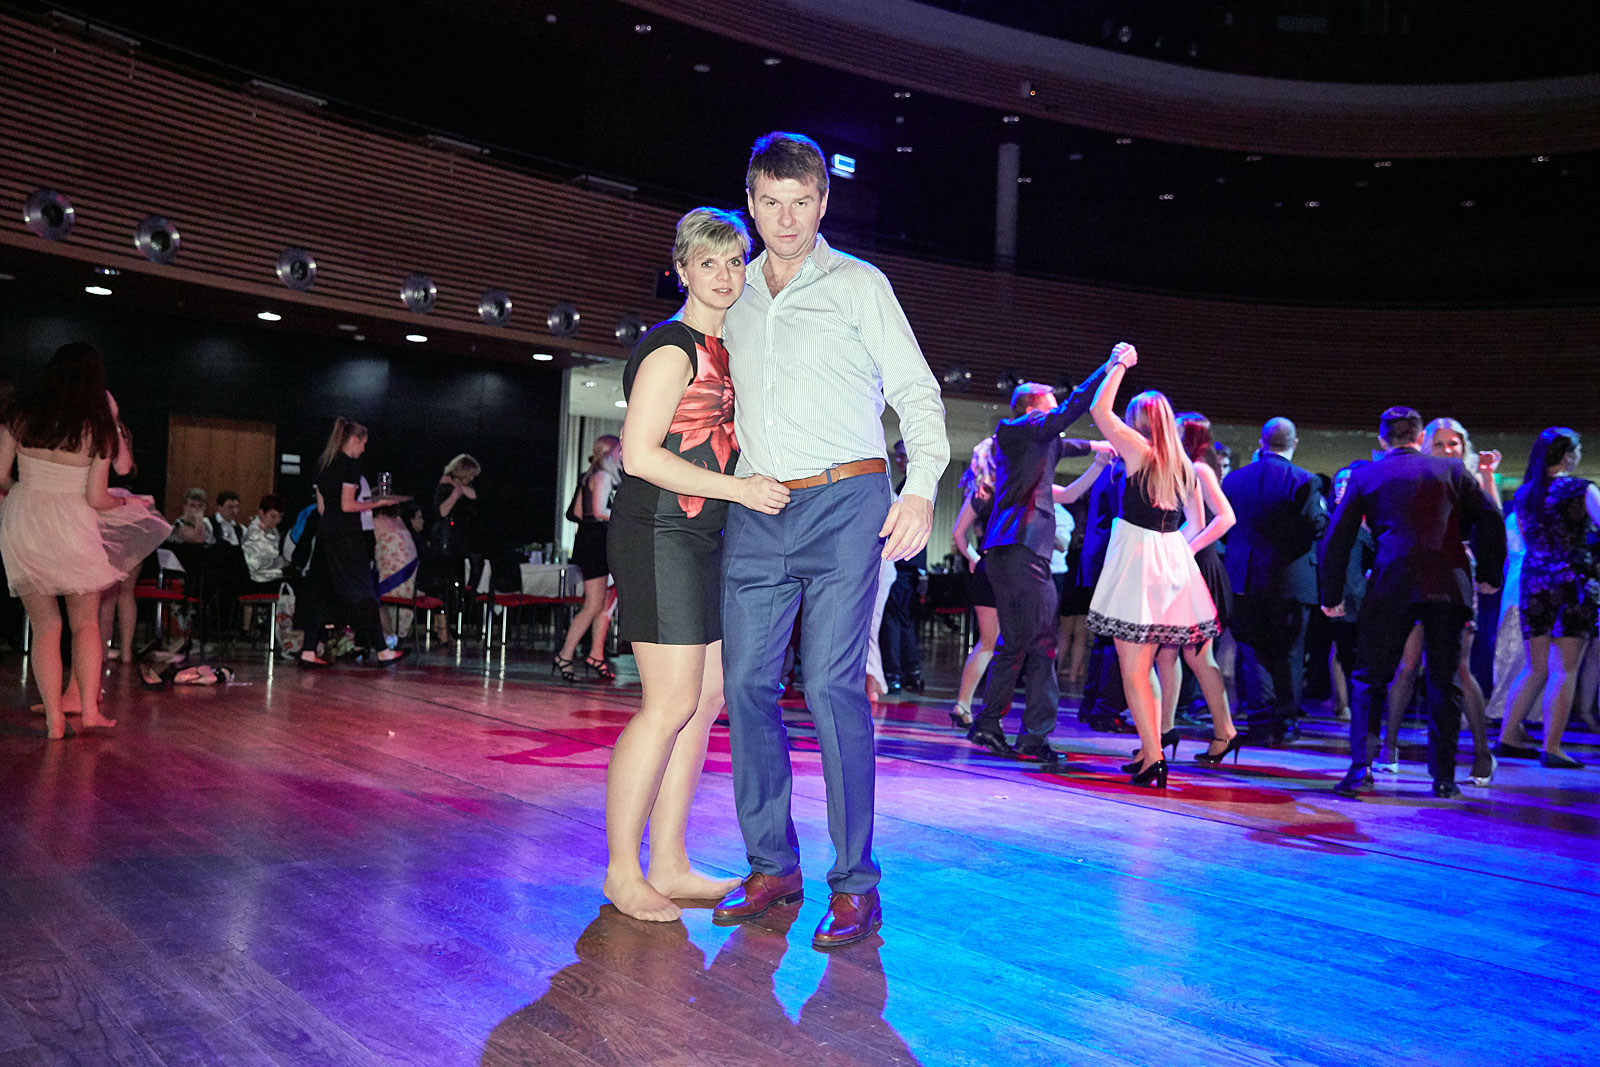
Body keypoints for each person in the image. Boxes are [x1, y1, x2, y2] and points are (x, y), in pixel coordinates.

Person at [712, 131, 948, 950]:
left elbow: (917, 391)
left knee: (829, 682)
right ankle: (772, 865)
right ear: (751, 204)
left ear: (823, 203)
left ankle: (855, 884)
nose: (786, 219)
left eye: (801, 203)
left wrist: (920, 488)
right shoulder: (733, 294)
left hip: (849, 500)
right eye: (771, 203)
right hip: (758, 505)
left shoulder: (859, 285)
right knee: (744, 683)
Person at [601, 207, 790, 922]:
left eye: (735, 261)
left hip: (702, 537)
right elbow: (639, 455)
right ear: (681, 270)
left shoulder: (726, 349)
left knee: (705, 699)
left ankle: (670, 863)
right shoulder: (672, 348)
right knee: (670, 702)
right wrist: (741, 490)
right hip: (658, 534)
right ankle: (623, 872)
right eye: (708, 262)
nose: (724, 275)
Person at [1320, 407, 1506, 799]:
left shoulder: (1366, 475)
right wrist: (1490, 574)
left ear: (1382, 439)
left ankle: (1361, 769)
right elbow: (1491, 517)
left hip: (1393, 583)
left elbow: (1338, 537)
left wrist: (1332, 596)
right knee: (1445, 679)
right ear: (1420, 438)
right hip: (1448, 586)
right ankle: (1444, 778)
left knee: (1370, 677)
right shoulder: (1452, 470)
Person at [1086, 345, 1230, 788]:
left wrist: (1118, 365)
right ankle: (1152, 751)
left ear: (1139, 421)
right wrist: (1172, 552)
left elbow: (1098, 410)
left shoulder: (1140, 451)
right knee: (1146, 662)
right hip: (1171, 559)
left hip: (1138, 559)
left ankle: (1153, 757)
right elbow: (1198, 524)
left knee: (1134, 667)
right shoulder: (1184, 465)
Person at [967, 376, 1109, 763]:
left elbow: (1067, 444)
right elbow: (1066, 415)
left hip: (1009, 550)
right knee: (1044, 643)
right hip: (1023, 548)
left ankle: (988, 724)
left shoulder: (1036, 443)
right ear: (1032, 409)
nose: (1056, 409)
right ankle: (1034, 737)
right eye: (1050, 404)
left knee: (1013, 644)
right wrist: (1109, 367)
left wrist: (1097, 449)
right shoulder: (1018, 427)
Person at [0, 342, 122, 738]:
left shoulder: (20, 415)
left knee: (45, 626)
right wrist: (123, 502)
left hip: (25, 520)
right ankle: (89, 710)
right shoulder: (97, 427)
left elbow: (0, 475)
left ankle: (55, 718)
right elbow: (96, 498)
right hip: (73, 522)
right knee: (85, 623)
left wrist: (26, 489)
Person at [1378, 417, 1500, 784]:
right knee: (1407, 664)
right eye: (1440, 443)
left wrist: (1488, 477)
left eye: (1454, 444)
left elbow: (1493, 522)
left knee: (1458, 667)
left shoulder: (1469, 478)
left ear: (1463, 446)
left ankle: (1482, 753)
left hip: (1455, 575)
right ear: (1425, 443)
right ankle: (1389, 746)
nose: (1447, 450)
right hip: (1415, 574)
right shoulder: (1415, 475)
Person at [1493, 428, 1598, 768]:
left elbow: (1527, 539)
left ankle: (1508, 736)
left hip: (1535, 581)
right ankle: (1552, 747)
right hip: (1571, 581)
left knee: (1535, 667)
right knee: (1565, 668)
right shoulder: (1581, 489)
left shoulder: (1525, 493)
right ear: (1567, 455)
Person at [1220, 417, 1329, 745]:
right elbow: (1318, 525)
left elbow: (1222, 525)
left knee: (1252, 651)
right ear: (1294, 444)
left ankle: (1260, 721)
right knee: (1290, 653)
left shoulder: (1235, 480)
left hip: (1243, 578)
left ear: (1262, 443)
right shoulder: (1305, 480)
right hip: (1289, 580)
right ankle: (1285, 722)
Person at [298, 417, 406, 667]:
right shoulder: (349, 467)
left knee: (320, 594)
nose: (364, 449)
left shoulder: (325, 464)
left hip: (325, 534)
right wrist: (378, 503)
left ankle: (308, 650)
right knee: (364, 591)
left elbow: (323, 508)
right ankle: (383, 650)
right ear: (354, 440)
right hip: (346, 537)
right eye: (363, 443)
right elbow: (347, 505)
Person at [1172, 412, 1243, 763]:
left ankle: (1224, 732)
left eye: (1175, 430)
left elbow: (1226, 517)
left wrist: (1187, 548)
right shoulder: (1188, 467)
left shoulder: (1198, 469)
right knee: (1181, 654)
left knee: (1196, 655)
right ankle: (1170, 732)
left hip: (1200, 569)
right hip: (1193, 567)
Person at [555, 437, 621, 680]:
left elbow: (575, 513)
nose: (622, 454)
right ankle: (565, 654)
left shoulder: (589, 476)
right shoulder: (602, 476)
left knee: (600, 604)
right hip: (596, 545)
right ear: (609, 453)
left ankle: (592, 654)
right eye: (619, 450)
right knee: (593, 605)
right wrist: (626, 517)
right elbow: (600, 511)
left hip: (589, 542)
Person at [949, 437, 1001, 728]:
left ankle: (963, 704)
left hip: (986, 567)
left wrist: (973, 558)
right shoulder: (1008, 488)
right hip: (1006, 569)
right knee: (1001, 646)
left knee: (987, 644)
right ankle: (990, 713)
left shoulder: (980, 492)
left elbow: (959, 534)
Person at [878, 439, 924, 693]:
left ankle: (896, 672)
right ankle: (909, 672)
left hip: (903, 561)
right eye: (897, 456)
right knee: (901, 618)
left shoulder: (911, 488)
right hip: (908, 562)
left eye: (902, 456)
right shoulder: (909, 486)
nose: (899, 461)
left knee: (895, 618)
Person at [423, 453, 480, 645]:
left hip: (457, 544)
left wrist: (459, 488)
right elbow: (441, 512)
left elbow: (474, 496)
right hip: (444, 543)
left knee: (455, 589)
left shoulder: (461, 487)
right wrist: (455, 493)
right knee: (443, 587)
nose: (472, 478)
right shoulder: (444, 487)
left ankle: (447, 628)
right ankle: (442, 631)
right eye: (470, 474)